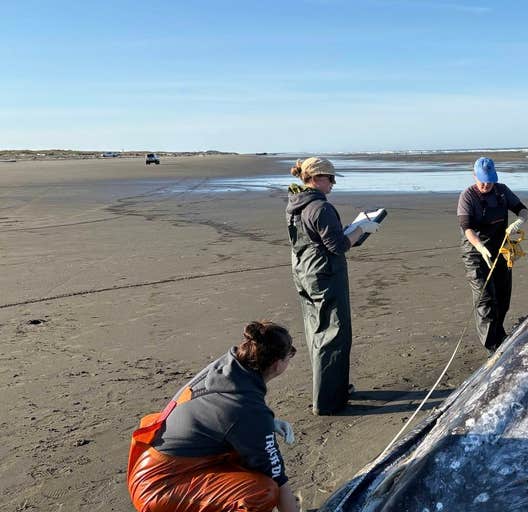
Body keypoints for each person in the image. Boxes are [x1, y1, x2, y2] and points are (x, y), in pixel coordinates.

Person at [127, 321, 301, 512]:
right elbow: (279, 480)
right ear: (277, 364)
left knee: (248, 458)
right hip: (158, 486)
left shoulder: (230, 366)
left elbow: (222, 414)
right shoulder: (248, 409)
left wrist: (268, 424)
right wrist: (261, 426)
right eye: (289, 355)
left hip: (156, 464)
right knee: (263, 492)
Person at [286, 157, 380, 415]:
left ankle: (334, 388)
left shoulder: (296, 203)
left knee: (318, 333)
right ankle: (328, 401)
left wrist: (348, 230)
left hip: (305, 273)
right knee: (334, 335)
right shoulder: (319, 207)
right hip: (324, 276)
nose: (333, 183)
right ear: (316, 178)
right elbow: (337, 246)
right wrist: (361, 230)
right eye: (330, 178)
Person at [457, 157, 528, 353]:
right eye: (482, 181)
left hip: (501, 249)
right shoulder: (467, 196)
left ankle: (499, 333)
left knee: (503, 296)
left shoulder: (502, 191)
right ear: (474, 176)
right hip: (476, 252)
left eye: (490, 180)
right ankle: (492, 346)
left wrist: (519, 221)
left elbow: (522, 209)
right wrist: (479, 246)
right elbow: (466, 227)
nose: (486, 185)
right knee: (486, 298)